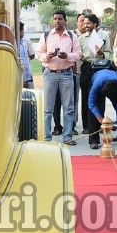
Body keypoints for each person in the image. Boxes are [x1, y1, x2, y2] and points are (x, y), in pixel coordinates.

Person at [37, 11, 80, 145]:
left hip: (67, 74)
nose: (57, 21)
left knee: (68, 107)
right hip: (50, 73)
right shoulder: (46, 36)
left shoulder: (72, 36)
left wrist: (67, 56)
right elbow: (39, 53)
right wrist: (48, 56)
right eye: (55, 19)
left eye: (60, 19)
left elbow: (79, 54)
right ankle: (47, 137)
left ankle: (67, 137)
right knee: (48, 108)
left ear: (65, 21)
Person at [78, 14, 110, 149]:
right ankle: (92, 138)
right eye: (84, 24)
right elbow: (78, 56)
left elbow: (109, 53)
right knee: (88, 102)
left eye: (89, 23)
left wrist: (102, 53)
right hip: (86, 69)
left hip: (100, 68)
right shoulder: (80, 38)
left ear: (95, 24)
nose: (86, 26)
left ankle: (98, 133)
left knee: (99, 102)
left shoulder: (104, 36)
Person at [87, 68, 117, 140]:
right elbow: (91, 103)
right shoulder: (97, 84)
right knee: (94, 111)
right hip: (98, 78)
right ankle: (93, 140)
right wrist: (99, 117)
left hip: (113, 85)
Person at [18, 22, 35, 89]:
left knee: (30, 95)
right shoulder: (24, 41)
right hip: (19, 78)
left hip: (28, 76)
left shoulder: (24, 40)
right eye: (22, 30)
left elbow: (32, 56)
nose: (24, 32)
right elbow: (32, 56)